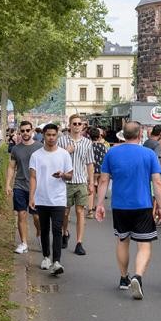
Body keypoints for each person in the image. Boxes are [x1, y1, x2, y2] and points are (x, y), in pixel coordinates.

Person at [95, 121, 161, 300]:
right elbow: (157, 182)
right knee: (144, 245)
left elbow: (103, 181)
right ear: (140, 134)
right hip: (142, 204)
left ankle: (124, 277)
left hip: (120, 205)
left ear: (122, 135)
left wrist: (99, 204)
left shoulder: (112, 153)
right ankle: (138, 276)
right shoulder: (149, 154)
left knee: (122, 241)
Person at [29, 123, 73, 276]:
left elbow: (70, 175)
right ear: (44, 136)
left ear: (57, 135)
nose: (51, 138)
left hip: (58, 199)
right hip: (41, 198)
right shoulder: (36, 155)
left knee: (57, 230)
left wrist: (62, 174)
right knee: (44, 229)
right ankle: (46, 257)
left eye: (54, 135)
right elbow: (33, 177)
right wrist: (32, 196)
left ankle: (57, 261)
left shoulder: (64, 154)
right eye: (48, 135)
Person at [57, 114, 94, 256]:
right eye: (75, 123)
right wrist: (67, 151)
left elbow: (90, 163)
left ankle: (79, 243)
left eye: (79, 124)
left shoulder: (87, 143)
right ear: (70, 125)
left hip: (81, 181)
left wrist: (91, 182)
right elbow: (56, 159)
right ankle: (64, 232)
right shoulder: (62, 141)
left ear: (83, 126)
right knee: (65, 212)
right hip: (65, 182)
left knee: (80, 212)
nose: (77, 126)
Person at [6, 121, 43, 254]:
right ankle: (24, 243)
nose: (25, 133)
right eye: (23, 131)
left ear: (32, 130)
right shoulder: (16, 149)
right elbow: (11, 167)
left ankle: (39, 233)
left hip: (36, 187)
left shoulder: (40, 147)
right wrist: (8, 184)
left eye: (28, 130)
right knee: (21, 214)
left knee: (37, 217)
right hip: (19, 185)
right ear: (19, 132)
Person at [87, 127, 108, 219]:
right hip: (101, 169)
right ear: (99, 136)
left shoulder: (88, 146)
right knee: (99, 188)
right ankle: (98, 206)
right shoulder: (103, 146)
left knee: (91, 189)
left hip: (91, 170)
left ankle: (90, 210)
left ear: (89, 136)